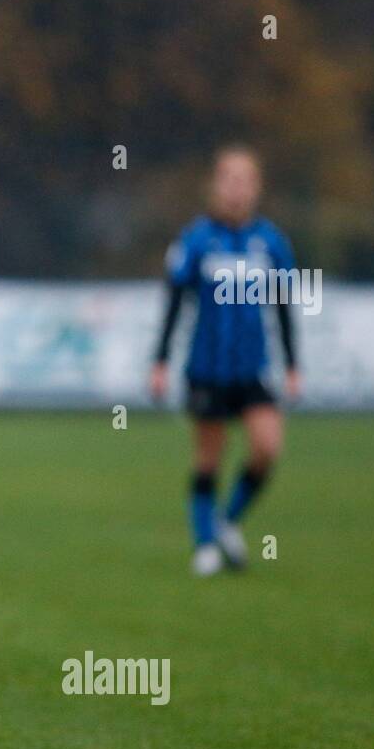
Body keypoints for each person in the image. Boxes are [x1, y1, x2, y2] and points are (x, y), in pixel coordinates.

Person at [150, 144, 300, 576]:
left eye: (244, 180)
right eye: (228, 179)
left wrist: (292, 364)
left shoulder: (270, 242)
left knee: (267, 448)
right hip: (206, 369)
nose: (236, 189)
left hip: (252, 368)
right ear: (215, 185)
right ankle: (205, 548)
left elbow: (283, 305)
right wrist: (159, 361)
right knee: (208, 459)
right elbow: (175, 300)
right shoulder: (197, 238)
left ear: (257, 187)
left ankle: (225, 521)